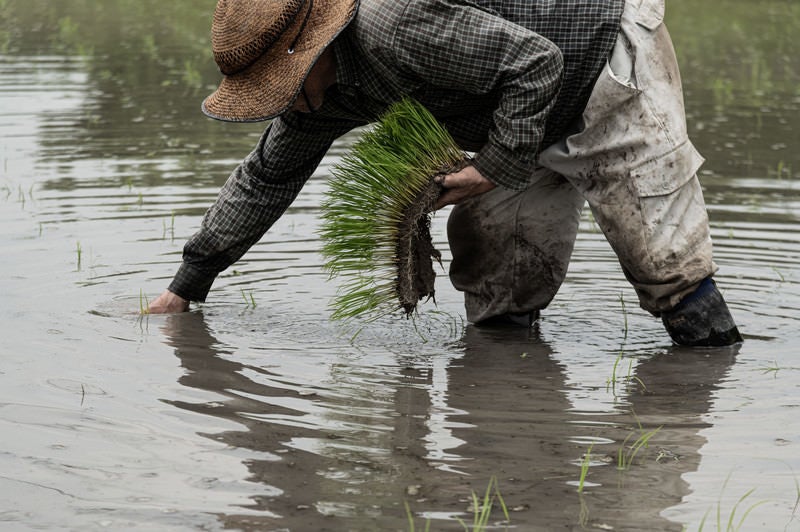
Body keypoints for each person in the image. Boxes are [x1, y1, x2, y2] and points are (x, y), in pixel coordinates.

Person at [148, 0, 743, 347]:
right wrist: (187, 283)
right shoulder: (318, 97)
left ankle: (709, 378)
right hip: (514, 104)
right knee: (497, 279)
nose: (280, 103)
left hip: (600, 59)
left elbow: (538, 62)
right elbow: (265, 179)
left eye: (280, 86)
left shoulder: (392, 26)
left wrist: (493, 167)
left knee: (667, 265)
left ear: (314, 48)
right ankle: (512, 422)